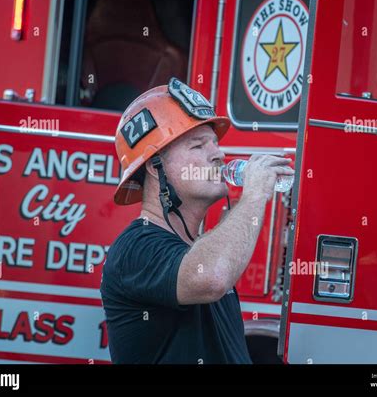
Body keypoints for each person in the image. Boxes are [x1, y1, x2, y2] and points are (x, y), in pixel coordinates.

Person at [100, 77, 294, 363]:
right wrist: (255, 195)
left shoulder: (195, 251)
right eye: (197, 146)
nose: (218, 154)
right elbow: (212, 277)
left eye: (215, 143)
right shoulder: (134, 249)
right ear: (156, 168)